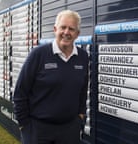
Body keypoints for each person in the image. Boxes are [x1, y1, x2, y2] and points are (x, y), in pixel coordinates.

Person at [13, 10, 89, 144]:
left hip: (69, 130)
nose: (66, 32)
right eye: (63, 27)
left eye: (71, 29)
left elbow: (83, 89)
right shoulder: (38, 54)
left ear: (77, 34)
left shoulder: (82, 57)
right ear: (55, 29)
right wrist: (24, 125)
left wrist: (80, 115)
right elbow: (20, 92)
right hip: (38, 130)